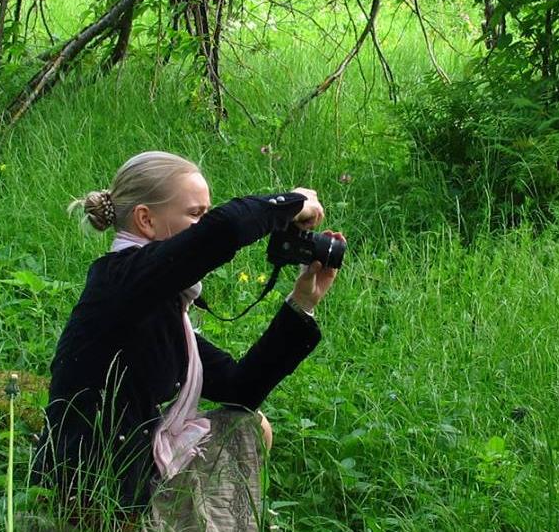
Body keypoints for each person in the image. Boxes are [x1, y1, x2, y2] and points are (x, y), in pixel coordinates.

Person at [34, 150, 343, 529]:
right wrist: (292, 202)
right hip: (89, 498)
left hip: (130, 483)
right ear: (145, 219)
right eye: (196, 215)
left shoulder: (156, 300)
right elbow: (223, 231)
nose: (201, 226)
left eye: (203, 215)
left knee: (250, 423)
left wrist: (301, 303)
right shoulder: (121, 281)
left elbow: (240, 388)